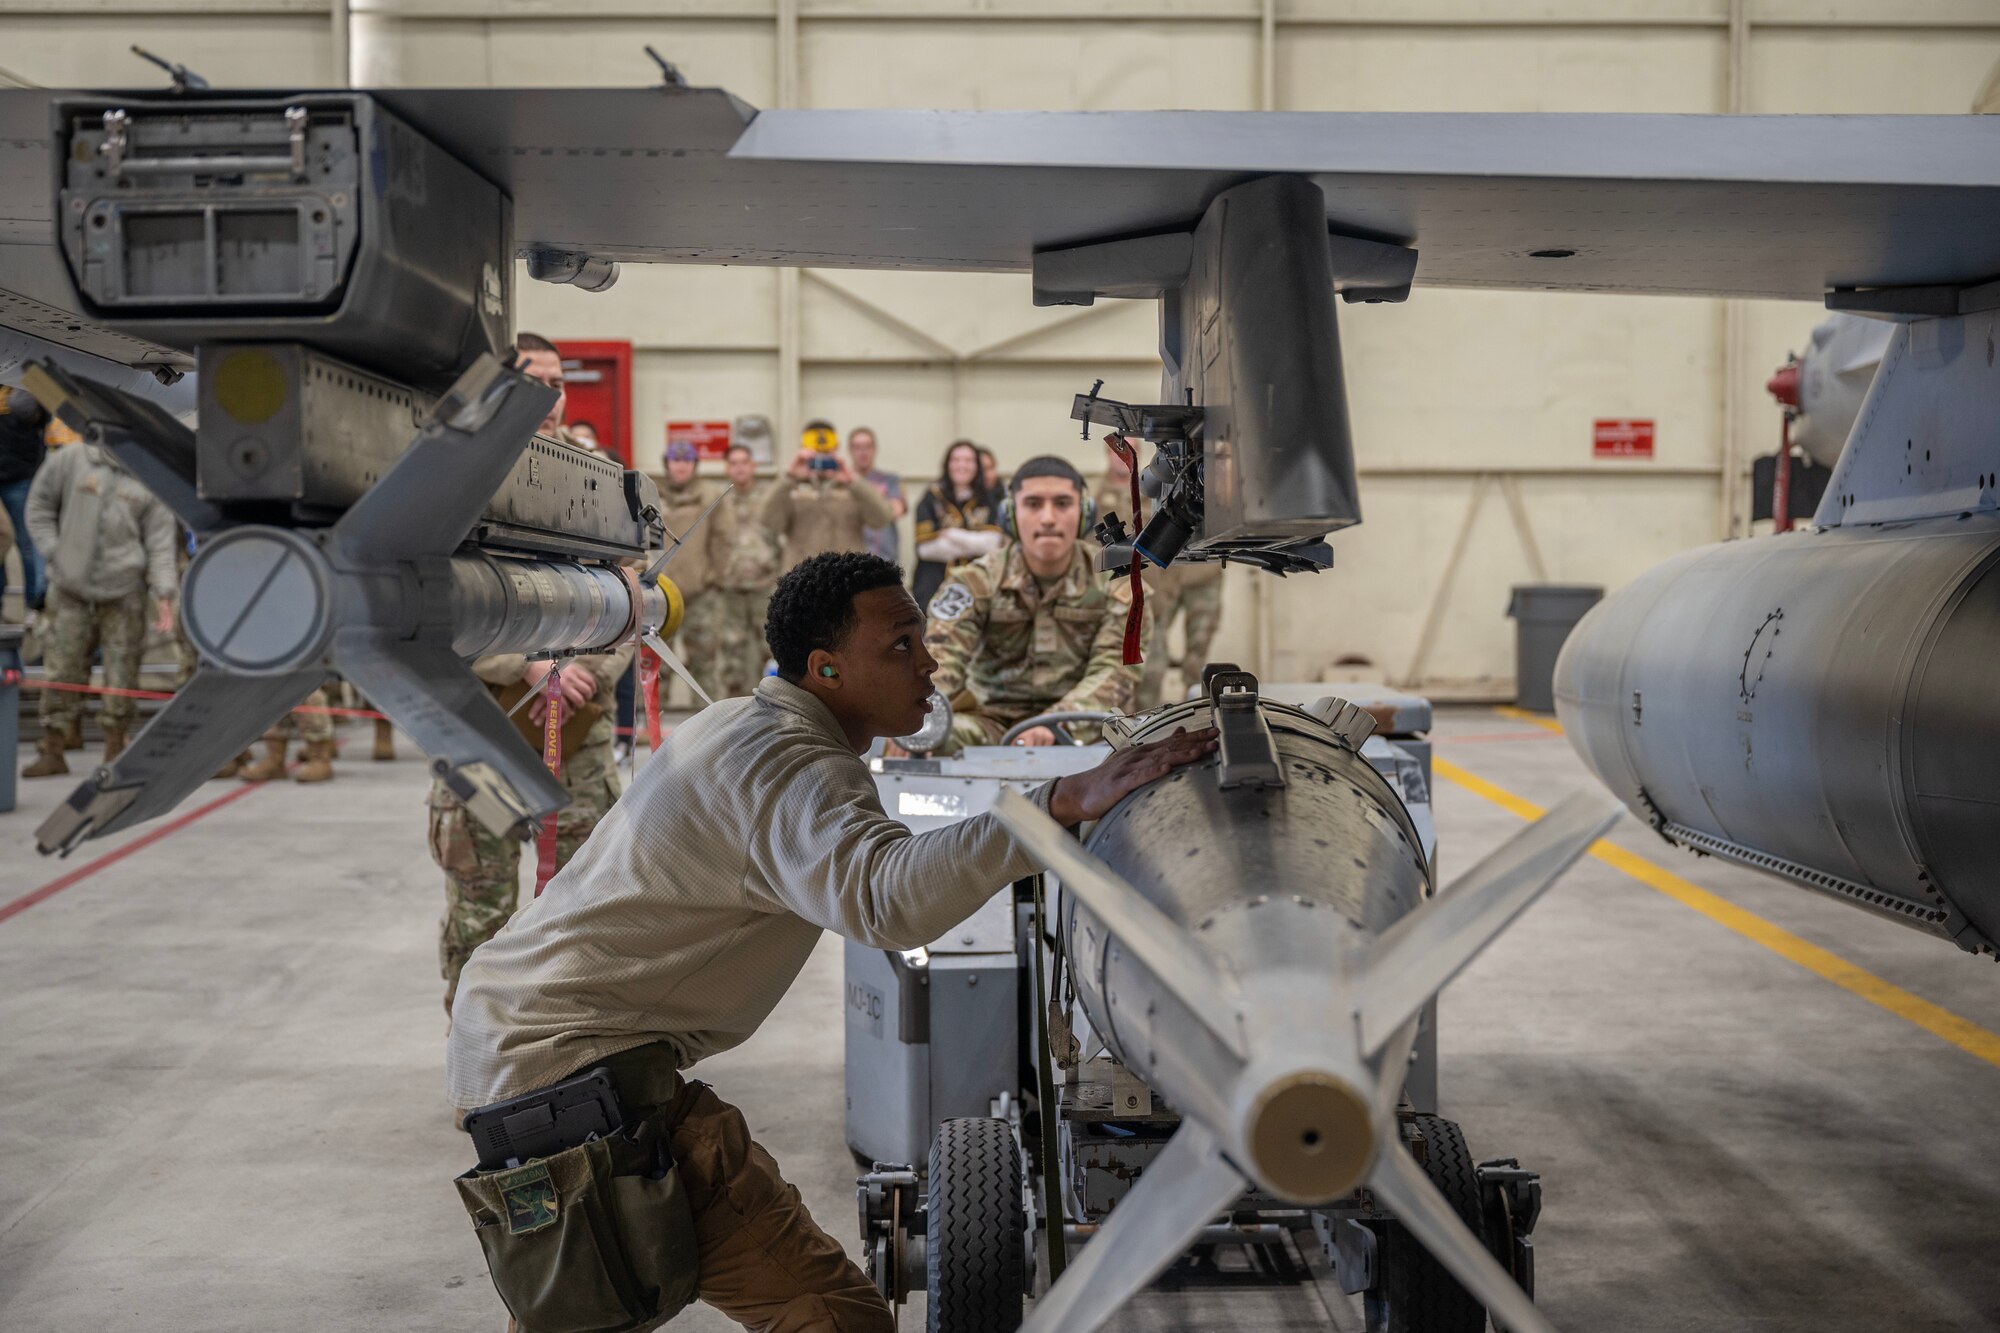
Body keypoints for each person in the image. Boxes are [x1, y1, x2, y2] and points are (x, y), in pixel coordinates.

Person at [445, 551, 1215, 1333]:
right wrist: (1055, 803)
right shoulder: (792, 766)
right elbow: (888, 897)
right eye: (901, 645)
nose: (929, 661)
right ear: (827, 668)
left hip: (529, 1045)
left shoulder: (739, 720)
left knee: (585, 1309)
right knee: (832, 1317)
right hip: (571, 1073)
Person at [429, 333, 632, 1014]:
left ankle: (566, 1053)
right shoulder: (454, 478)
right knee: (480, 906)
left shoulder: (597, 480)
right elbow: (431, 601)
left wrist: (588, 676)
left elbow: (630, 598)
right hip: (481, 731)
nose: (549, 399)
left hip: (577, 736)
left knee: (584, 907)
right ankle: (475, 1055)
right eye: (531, 381)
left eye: (558, 382)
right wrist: (527, 664)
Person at [924, 455, 1140, 753]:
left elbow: (1114, 672)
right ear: (1010, 514)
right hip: (989, 725)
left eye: (1063, 503)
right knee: (931, 738)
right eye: (1033, 504)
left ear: (1085, 514)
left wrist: (1054, 724)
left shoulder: (1119, 586)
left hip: (1083, 731)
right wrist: (921, 721)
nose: (1048, 518)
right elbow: (940, 660)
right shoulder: (974, 582)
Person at [20, 430, 177, 776]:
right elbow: (38, 507)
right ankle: (54, 748)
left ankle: (114, 745)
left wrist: (163, 593)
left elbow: (160, 541)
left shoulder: (149, 475)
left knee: (122, 672)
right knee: (61, 668)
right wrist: (54, 553)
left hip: (124, 593)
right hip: (70, 589)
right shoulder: (70, 460)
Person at [1094, 437, 1224, 707]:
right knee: (1151, 661)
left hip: (1193, 577)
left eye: (1130, 449)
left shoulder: (1154, 485)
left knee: (1196, 653)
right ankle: (1146, 718)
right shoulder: (1099, 497)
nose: (1121, 456)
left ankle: (1197, 707)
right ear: (1106, 454)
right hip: (1148, 587)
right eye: (1115, 451)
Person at [761, 418, 895, 571]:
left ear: (836, 448)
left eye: (826, 452)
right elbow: (767, 522)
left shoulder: (854, 488)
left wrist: (854, 482)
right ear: (803, 450)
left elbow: (882, 519)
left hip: (846, 580)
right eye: (815, 452)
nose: (821, 458)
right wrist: (788, 478)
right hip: (802, 583)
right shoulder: (790, 488)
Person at [658, 439, 734, 706]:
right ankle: (650, 727)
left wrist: (714, 576)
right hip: (660, 595)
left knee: (704, 663)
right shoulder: (652, 494)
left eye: (686, 461)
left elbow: (724, 538)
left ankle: (708, 722)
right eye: (675, 461)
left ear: (695, 466)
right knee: (656, 664)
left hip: (700, 593)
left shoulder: (711, 495)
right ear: (667, 464)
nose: (680, 467)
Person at [709, 441, 785, 697]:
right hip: (729, 589)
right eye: (734, 463)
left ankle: (775, 704)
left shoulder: (769, 498)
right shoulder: (718, 501)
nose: (740, 468)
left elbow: (782, 537)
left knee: (772, 648)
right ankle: (734, 710)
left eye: (745, 462)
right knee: (731, 654)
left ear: (753, 466)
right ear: (727, 468)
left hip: (765, 588)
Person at [910, 438, 1001, 611]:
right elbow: (926, 549)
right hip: (933, 587)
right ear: (947, 464)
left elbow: (993, 544)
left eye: (968, 460)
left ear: (977, 466)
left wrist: (952, 534)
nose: (962, 466)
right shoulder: (932, 497)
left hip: (978, 588)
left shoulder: (987, 498)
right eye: (956, 460)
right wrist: (975, 542)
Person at [0, 383, 49, 615]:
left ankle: (35, 605)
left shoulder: (22, 381)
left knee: (28, 544)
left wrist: (28, 403)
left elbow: (44, 416)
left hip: (21, 475)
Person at [847, 426, 906, 565]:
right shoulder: (842, 483)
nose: (863, 452)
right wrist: (876, 495)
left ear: (875, 449)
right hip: (850, 560)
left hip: (883, 559)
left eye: (867, 446)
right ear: (850, 450)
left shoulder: (890, 480)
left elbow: (897, 510)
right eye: (857, 447)